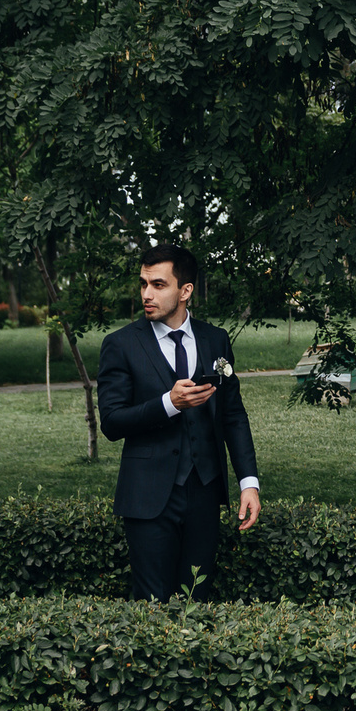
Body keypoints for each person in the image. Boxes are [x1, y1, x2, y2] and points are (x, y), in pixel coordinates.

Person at [97, 243, 262, 600]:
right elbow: (111, 422)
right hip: (148, 496)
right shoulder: (121, 345)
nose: (147, 294)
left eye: (158, 285)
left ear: (185, 291)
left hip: (204, 491)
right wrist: (167, 404)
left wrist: (249, 482)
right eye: (143, 284)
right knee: (152, 604)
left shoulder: (215, 339)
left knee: (197, 601)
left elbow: (233, 415)